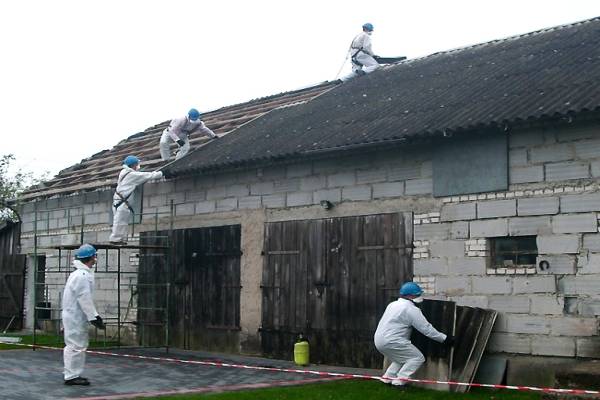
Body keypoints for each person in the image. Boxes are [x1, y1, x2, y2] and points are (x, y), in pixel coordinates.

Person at [373, 282, 455, 388]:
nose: (419, 296)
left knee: (401, 359)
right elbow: (426, 329)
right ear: (411, 295)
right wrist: (445, 339)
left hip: (379, 340)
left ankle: (387, 378)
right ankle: (399, 382)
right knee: (417, 358)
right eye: (418, 294)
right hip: (393, 340)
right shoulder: (411, 309)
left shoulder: (392, 305)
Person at [62, 244, 105, 386]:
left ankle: (72, 374)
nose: (95, 259)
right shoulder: (81, 276)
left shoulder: (78, 274)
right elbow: (84, 298)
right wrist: (94, 317)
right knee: (76, 346)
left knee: (75, 345)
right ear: (91, 257)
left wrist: (92, 316)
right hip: (75, 317)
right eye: (94, 256)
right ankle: (71, 376)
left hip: (73, 315)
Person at [109, 156, 163, 244]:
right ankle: (115, 239)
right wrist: (160, 173)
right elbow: (146, 176)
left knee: (121, 222)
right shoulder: (131, 175)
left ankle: (121, 239)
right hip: (122, 202)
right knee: (120, 222)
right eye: (136, 164)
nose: (138, 166)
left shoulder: (125, 172)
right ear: (133, 165)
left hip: (119, 201)